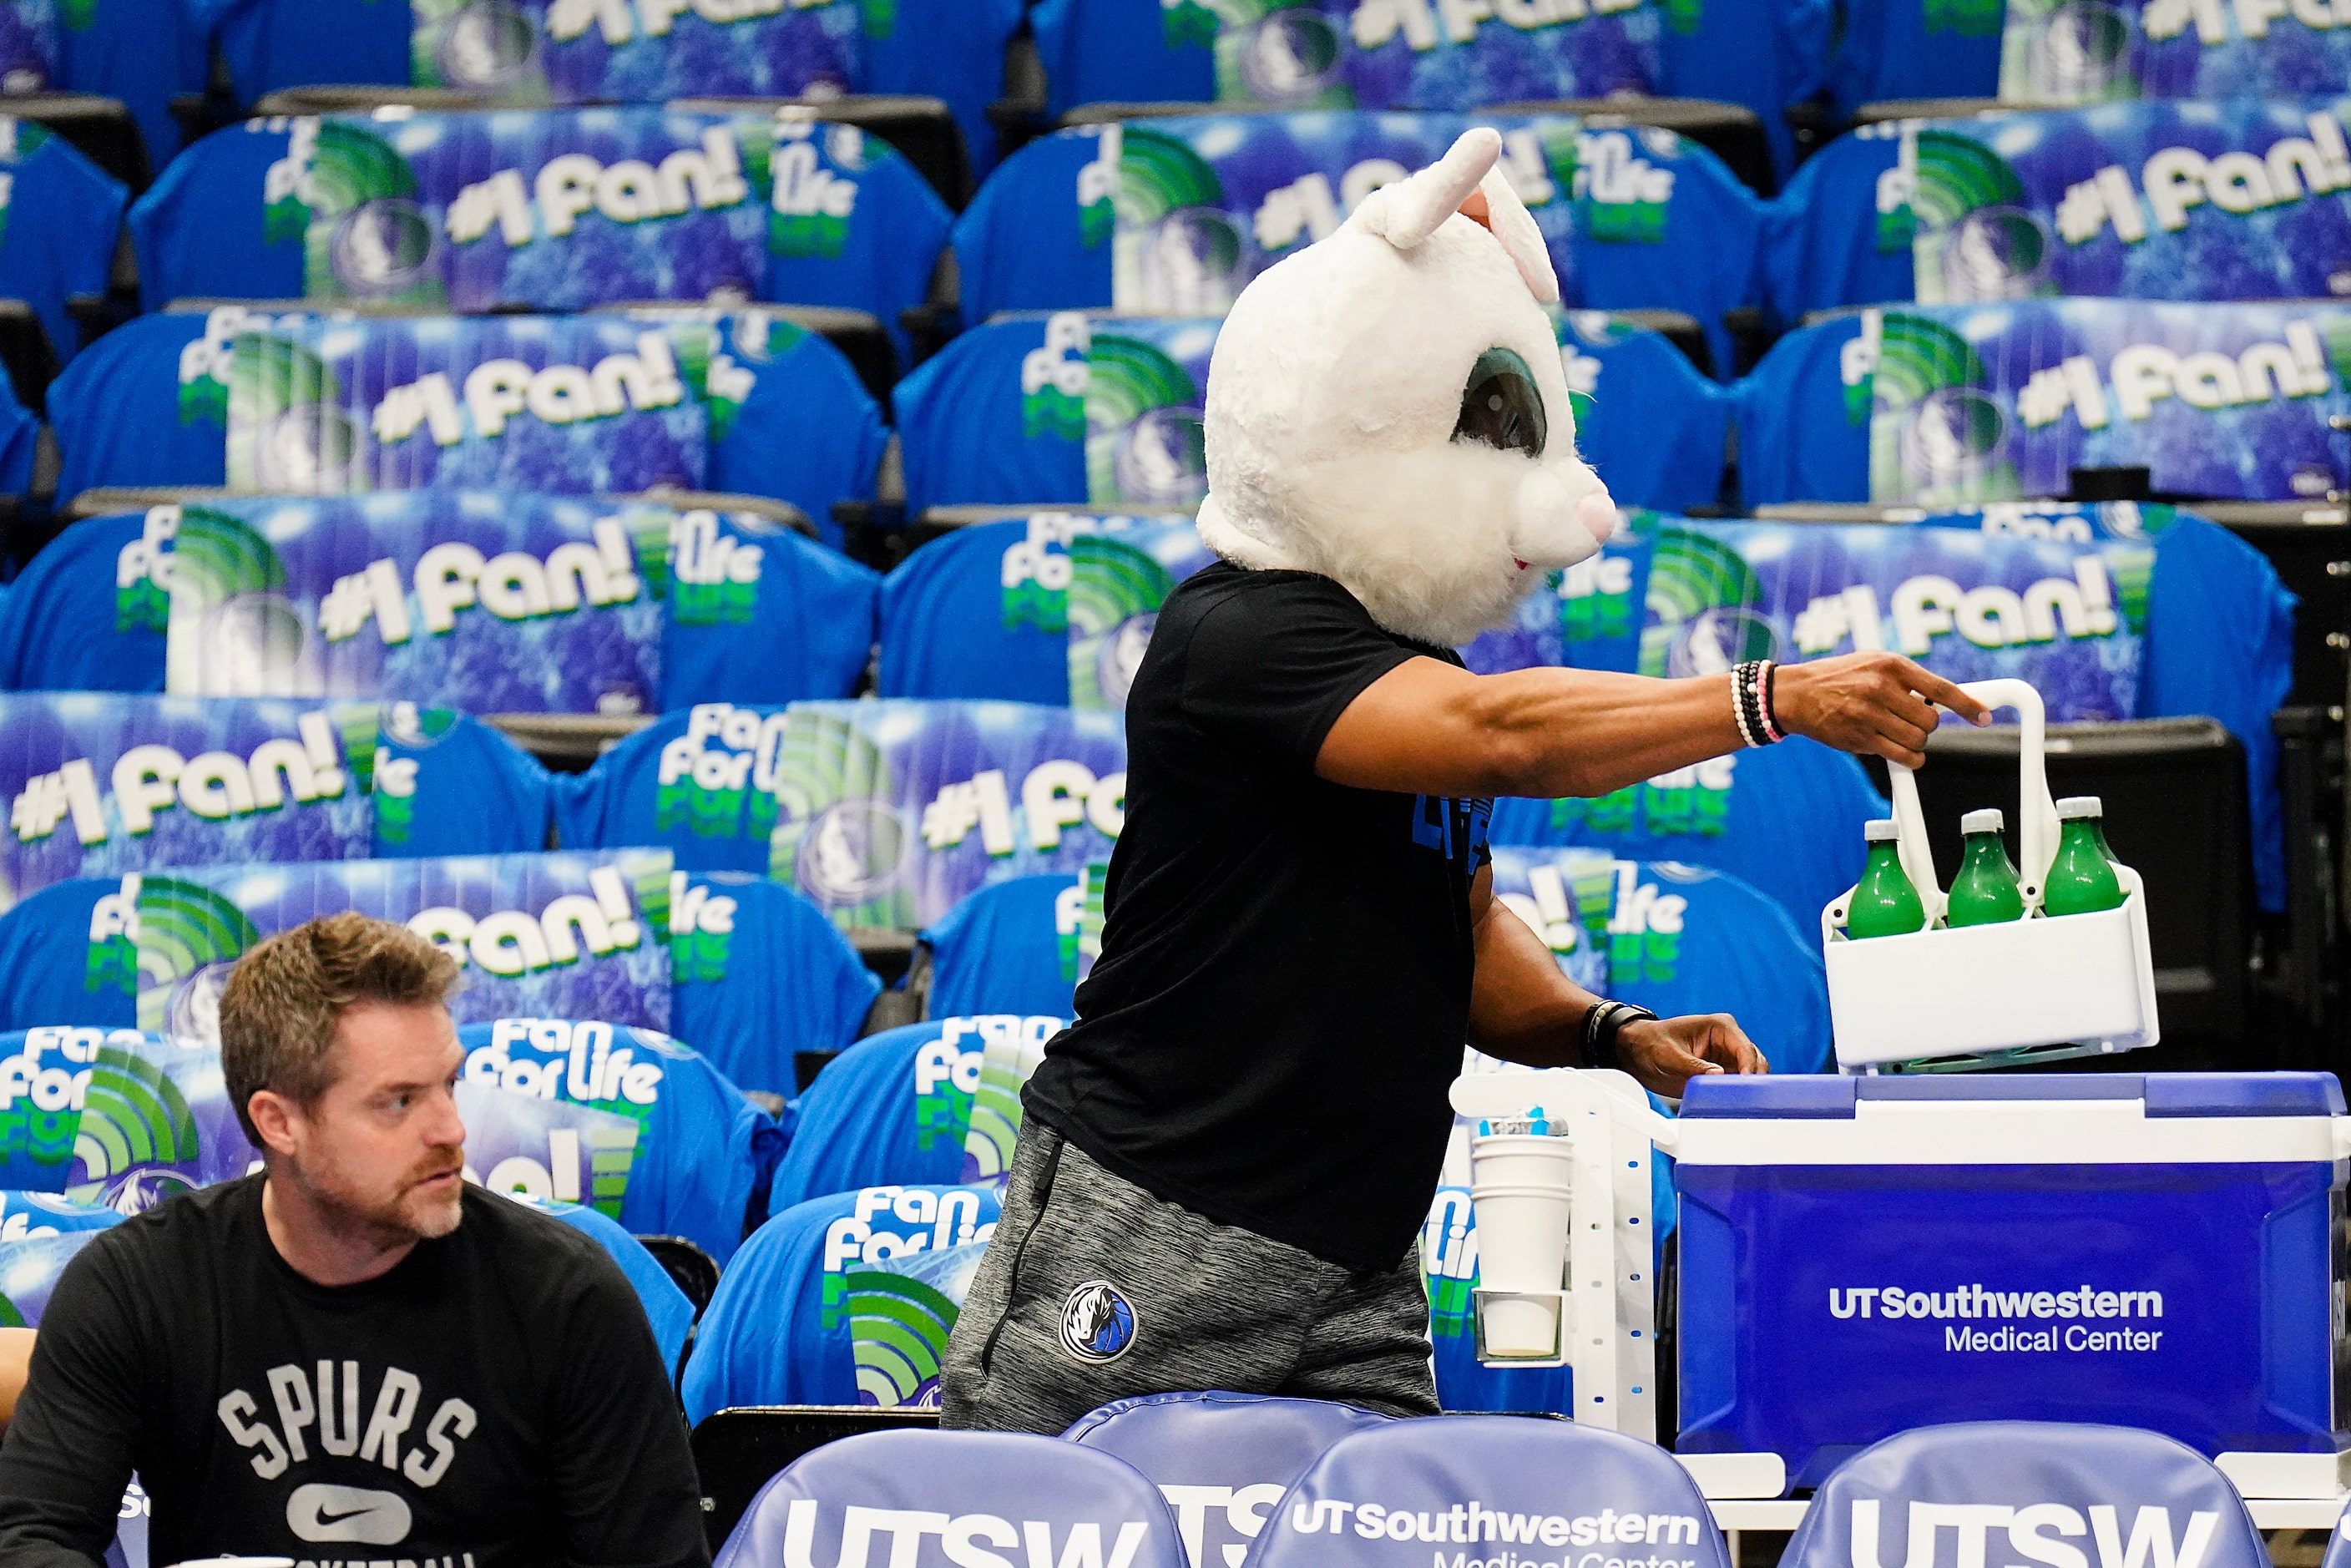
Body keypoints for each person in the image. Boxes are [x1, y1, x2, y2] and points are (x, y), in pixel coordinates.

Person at [937, 130, 1994, 1434]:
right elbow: (1506, 738)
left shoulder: (1404, 662)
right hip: (1163, 1214)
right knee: (1072, 1530)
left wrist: (1607, 1033)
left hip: (1358, 1251)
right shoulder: (1240, 634)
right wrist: (1768, 699)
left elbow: (1455, 915)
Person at [0, 913, 710, 1568]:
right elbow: (36, 1536)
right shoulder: (142, 1287)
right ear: (280, 1123)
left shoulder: (566, 1299)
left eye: (449, 1086)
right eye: (399, 1102)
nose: (451, 1130)